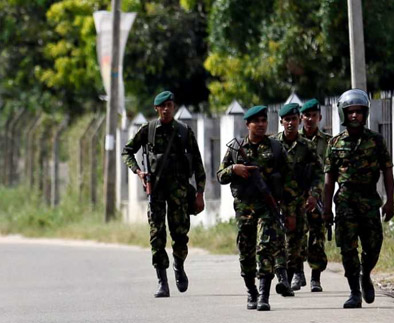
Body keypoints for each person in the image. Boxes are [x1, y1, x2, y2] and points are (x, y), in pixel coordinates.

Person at [122, 91, 206, 298]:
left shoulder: (184, 132)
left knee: (180, 235)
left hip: (179, 191)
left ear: (174, 107)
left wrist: (200, 193)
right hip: (156, 192)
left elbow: (197, 163)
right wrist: (138, 171)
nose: (167, 109)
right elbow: (127, 151)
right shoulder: (148, 131)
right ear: (156, 109)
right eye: (163, 106)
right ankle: (162, 281)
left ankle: (179, 265)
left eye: (170, 105)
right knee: (157, 236)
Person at [217, 105, 296, 311]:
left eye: (263, 121)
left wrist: (290, 211)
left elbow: (289, 182)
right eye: (256, 121)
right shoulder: (236, 149)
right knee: (246, 252)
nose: (261, 125)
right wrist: (234, 169)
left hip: (268, 208)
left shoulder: (276, 148)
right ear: (247, 124)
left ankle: (264, 295)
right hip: (244, 208)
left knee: (265, 247)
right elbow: (220, 176)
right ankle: (251, 291)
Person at [323, 89, 394, 308]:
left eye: (359, 112)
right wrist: (326, 211)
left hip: (370, 199)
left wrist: (391, 200)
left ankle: (366, 274)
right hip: (344, 201)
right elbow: (329, 180)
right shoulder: (334, 144)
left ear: (365, 114)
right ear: (344, 114)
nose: (355, 116)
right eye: (350, 112)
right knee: (347, 247)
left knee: (374, 245)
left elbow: (388, 171)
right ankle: (354, 291)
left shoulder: (376, 140)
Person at [271, 103, 323, 297]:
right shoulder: (273, 144)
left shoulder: (307, 146)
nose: (291, 123)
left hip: (299, 202)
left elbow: (319, 174)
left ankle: (291, 274)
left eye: (294, 119)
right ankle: (282, 277)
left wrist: (313, 195)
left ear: (298, 120)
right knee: (277, 241)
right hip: (276, 201)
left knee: (295, 243)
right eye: (287, 120)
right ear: (281, 122)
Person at [299, 98, 332, 292]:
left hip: (318, 197)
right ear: (301, 117)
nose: (310, 119)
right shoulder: (294, 138)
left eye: (313, 116)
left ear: (319, 117)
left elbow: (329, 171)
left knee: (317, 239)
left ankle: (315, 277)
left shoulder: (328, 141)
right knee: (296, 237)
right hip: (296, 196)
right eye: (306, 116)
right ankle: (297, 272)